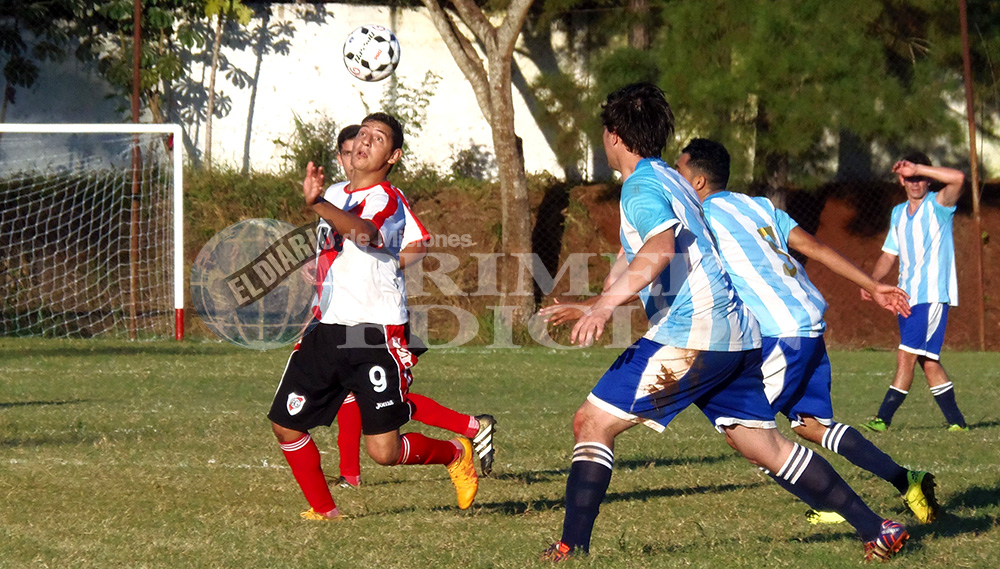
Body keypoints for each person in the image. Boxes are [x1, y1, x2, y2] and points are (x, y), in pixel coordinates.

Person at [536, 83, 907, 563]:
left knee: (591, 423)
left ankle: (570, 548)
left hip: (693, 335)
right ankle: (878, 528)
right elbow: (638, 249)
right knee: (764, 445)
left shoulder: (642, 187)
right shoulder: (671, 179)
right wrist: (597, 301)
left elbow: (658, 249)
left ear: (612, 135)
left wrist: (606, 308)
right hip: (736, 335)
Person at [677, 137, 939, 525]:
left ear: (698, 181)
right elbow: (813, 248)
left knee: (744, 433)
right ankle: (907, 480)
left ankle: (836, 506)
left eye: (679, 170)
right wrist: (872, 284)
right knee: (812, 426)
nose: (675, 179)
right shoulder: (759, 206)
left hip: (782, 332)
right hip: (807, 323)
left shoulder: (701, 217)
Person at [268, 112, 479, 521]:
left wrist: (321, 206)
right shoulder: (333, 192)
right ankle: (325, 512)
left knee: (383, 451)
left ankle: (455, 453)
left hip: (374, 334)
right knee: (286, 425)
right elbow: (366, 246)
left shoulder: (387, 198)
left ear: (393, 155)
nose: (365, 142)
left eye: (377, 138)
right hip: (327, 328)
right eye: (362, 134)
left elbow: (365, 232)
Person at [328, 125, 496, 489]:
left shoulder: (388, 196)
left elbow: (418, 243)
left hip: (377, 316)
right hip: (334, 314)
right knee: (353, 392)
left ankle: (466, 433)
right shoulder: (332, 196)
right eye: (345, 150)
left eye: (359, 145)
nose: (352, 154)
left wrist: (381, 268)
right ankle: (351, 476)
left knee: (380, 400)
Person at [860, 152, 968, 433]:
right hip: (905, 297)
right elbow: (888, 255)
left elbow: (958, 178)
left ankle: (882, 418)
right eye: (910, 178)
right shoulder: (898, 213)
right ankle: (957, 422)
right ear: (901, 181)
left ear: (928, 179)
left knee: (905, 355)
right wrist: (872, 281)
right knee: (928, 362)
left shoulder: (938, 205)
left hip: (931, 296)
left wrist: (920, 167)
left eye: (920, 177)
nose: (916, 182)